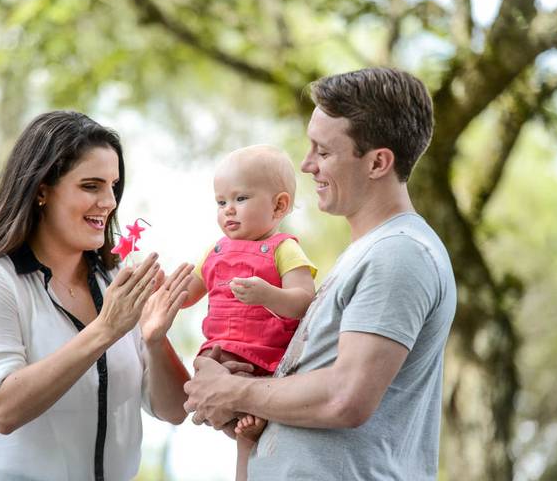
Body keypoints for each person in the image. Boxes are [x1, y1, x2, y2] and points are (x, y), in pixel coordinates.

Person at [184, 67, 457, 481]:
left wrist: (234, 391)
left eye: (324, 151)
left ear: (378, 162)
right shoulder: (365, 255)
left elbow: (346, 398)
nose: (307, 165)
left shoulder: (399, 254)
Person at [0, 110, 193, 481]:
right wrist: (106, 329)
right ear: (41, 189)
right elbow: (3, 409)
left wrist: (155, 341)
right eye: (90, 186)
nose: (108, 201)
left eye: (113, 186)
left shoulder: (114, 280)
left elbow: (173, 410)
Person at [180, 145, 316, 473]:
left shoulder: (283, 249)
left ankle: (248, 433)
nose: (228, 210)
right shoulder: (215, 251)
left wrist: (268, 295)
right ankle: (240, 426)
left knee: (247, 442)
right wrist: (159, 284)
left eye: (240, 199)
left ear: (278, 205)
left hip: (261, 361)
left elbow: (304, 301)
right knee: (212, 389)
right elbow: (186, 296)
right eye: (221, 202)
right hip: (218, 359)